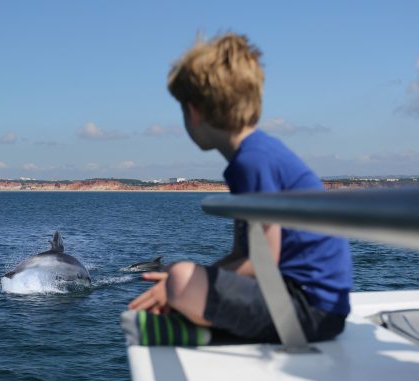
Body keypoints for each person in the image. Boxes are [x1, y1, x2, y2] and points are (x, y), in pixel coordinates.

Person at [122, 33, 352, 346]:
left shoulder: (252, 161)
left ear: (194, 111)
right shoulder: (256, 155)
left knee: (180, 277)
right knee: (182, 276)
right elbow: (243, 255)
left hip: (307, 310)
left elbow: (263, 261)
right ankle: (200, 319)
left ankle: (201, 329)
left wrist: (182, 286)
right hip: (311, 305)